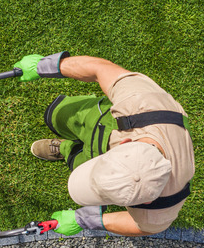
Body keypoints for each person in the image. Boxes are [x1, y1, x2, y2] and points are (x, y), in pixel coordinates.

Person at [15, 52, 194, 236]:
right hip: (109, 121)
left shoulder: (160, 210)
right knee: (57, 115)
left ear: (147, 201)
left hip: (116, 136)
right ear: (124, 142)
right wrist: (47, 66)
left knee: (77, 160)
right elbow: (100, 68)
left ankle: (65, 149)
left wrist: (85, 220)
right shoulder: (142, 101)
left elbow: (141, 227)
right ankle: (63, 124)